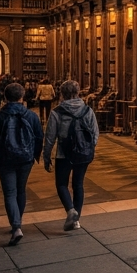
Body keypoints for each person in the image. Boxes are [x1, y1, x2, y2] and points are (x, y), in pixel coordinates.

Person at [0, 82, 43, 245]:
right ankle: (18, 222)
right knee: (21, 190)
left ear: (5, 97)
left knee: (10, 192)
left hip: (6, 158)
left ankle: (16, 226)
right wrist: (34, 156)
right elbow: (39, 137)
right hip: (25, 158)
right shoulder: (31, 116)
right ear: (22, 97)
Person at [43, 80, 98, 231]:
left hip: (63, 154)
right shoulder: (88, 110)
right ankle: (76, 221)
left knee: (61, 184)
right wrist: (89, 148)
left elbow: (50, 137)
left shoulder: (56, 112)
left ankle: (71, 211)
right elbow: (95, 133)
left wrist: (46, 156)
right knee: (78, 184)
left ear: (62, 94)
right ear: (78, 92)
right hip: (83, 154)